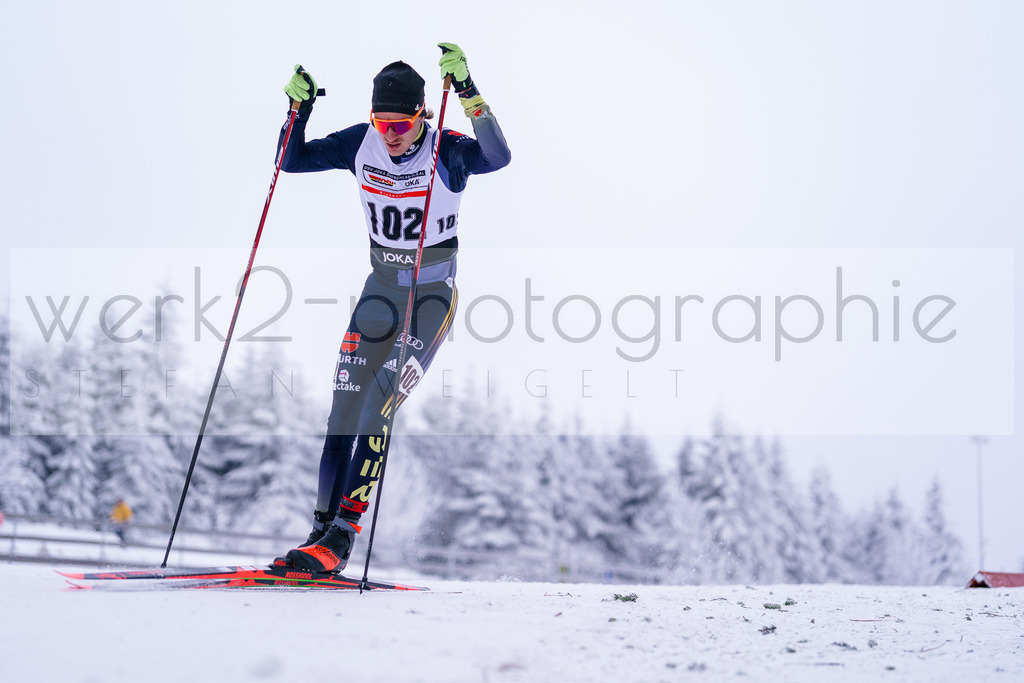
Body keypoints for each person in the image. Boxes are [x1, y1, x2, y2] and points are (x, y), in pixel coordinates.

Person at [272, 43, 510, 573]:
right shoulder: (361, 143)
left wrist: (468, 91)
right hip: (380, 292)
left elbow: (498, 157)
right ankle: (319, 532)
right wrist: (297, 111)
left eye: (401, 124)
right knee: (342, 412)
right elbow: (291, 161)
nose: (391, 135)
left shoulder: (448, 149)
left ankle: (342, 537)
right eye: (382, 123)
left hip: (431, 299)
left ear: (421, 114)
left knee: (379, 402)